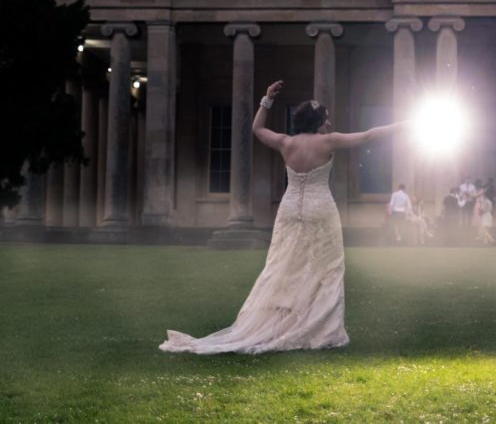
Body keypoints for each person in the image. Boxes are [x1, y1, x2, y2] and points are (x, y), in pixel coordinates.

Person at [160, 80, 405, 354]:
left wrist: (267, 99)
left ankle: (284, 321)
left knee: (282, 264)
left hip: (289, 209)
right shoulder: (328, 141)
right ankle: (319, 327)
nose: (329, 121)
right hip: (320, 208)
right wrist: (402, 126)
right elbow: (369, 135)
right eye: (326, 118)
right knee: (326, 267)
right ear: (319, 121)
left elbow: (257, 129)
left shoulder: (285, 142)